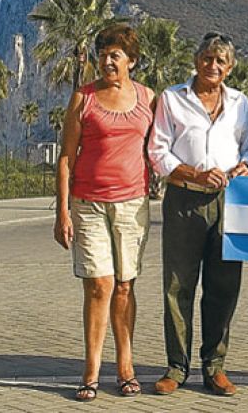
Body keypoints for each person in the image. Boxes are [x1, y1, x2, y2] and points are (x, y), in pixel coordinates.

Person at [148, 32, 248, 397]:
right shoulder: (171, 99)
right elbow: (158, 152)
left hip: (229, 204)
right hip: (184, 200)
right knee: (178, 287)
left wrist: (246, 165)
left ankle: (215, 366)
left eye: (221, 61)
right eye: (208, 58)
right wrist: (194, 173)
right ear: (196, 60)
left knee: (224, 287)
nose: (213, 66)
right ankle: (176, 367)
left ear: (229, 67)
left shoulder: (240, 102)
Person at [53, 23, 156, 402]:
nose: (107, 60)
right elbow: (66, 157)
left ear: (132, 60)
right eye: (102, 53)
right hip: (88, 204)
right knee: (99, 286)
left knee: (125, 286)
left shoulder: (148, 97)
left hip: (133, 204)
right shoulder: (83, 98)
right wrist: (62, 212)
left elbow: (162, 148)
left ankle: (126, 367)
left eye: (115, 54)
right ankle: (91, 370)